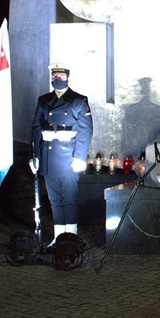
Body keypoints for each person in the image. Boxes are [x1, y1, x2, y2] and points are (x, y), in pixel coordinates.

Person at [30, 64, 93, 248]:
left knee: (69, 199)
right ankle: (58, 238)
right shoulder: (44, 100)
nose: (58, 79)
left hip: (68, 158)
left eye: (61, 76)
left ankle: (71, 238)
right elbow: (35, 128)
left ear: (67, 78)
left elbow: (85, 131)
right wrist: (34, 155)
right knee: (54, 200)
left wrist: (79, 157)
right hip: (49, 158)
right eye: (55, 75)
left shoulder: (78, 101)